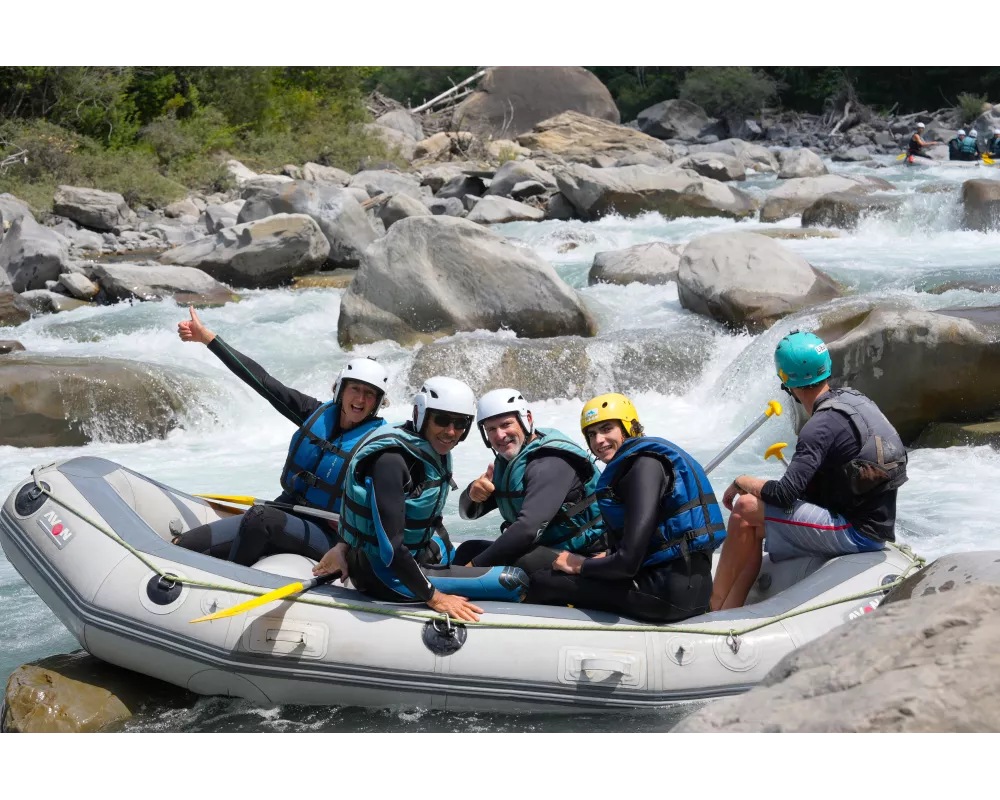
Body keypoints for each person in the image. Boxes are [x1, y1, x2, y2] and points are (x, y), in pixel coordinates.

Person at [172, 306, 388, 566]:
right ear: (341, 390)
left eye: (369, 394)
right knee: (185, 545)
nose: (360, 399)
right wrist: (207, 338)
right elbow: (261, 380)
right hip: (288, 509)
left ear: (377, 403)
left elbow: (382, 511)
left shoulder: (379, 446)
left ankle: (233, 582)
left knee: (261, 519)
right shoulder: (312, 411)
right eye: (355, 389)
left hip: (331, 535)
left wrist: (346, 547)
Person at [709, 331, 908, 612]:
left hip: (857, 532)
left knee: (744, 507)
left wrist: (745, 481)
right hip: (876, 523)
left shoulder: (818, 427)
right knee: (750, 519)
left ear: (786, 382)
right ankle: (728, 609)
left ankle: (714, 605)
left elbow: (786, 495)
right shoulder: (855, 400)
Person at [314, 377, 529, 622]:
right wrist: (436, 598)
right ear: (422, 415)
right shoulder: (391, 461)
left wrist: (341, 546)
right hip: (385, 573)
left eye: (459, 423)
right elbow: (391, 549)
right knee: (513, 581)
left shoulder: (427, 448)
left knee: (463, 550)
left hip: (414, 553)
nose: (450, 431)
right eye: (441, 420)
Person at [523, 394, 721, 623]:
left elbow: (627, 565)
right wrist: (605, 558)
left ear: (629, 427)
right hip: (690, 591)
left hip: (665, 595)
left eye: (607, 429)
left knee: (544, 580)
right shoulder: (647, 460)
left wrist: (580, 565)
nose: (599, 440)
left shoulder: (643, 467)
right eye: (592, 434)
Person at [454, 388, 605, 574]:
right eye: (491, 429)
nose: (500, 435)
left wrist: (472, 569)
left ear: (528, 420)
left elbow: (527, 530)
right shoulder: (509, 462)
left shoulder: (550, 462)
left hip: (584, 556)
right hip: (550, 548)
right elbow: (467, 513)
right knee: (467, 550)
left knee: (521, 561)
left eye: (506, 424)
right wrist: (472, 494)